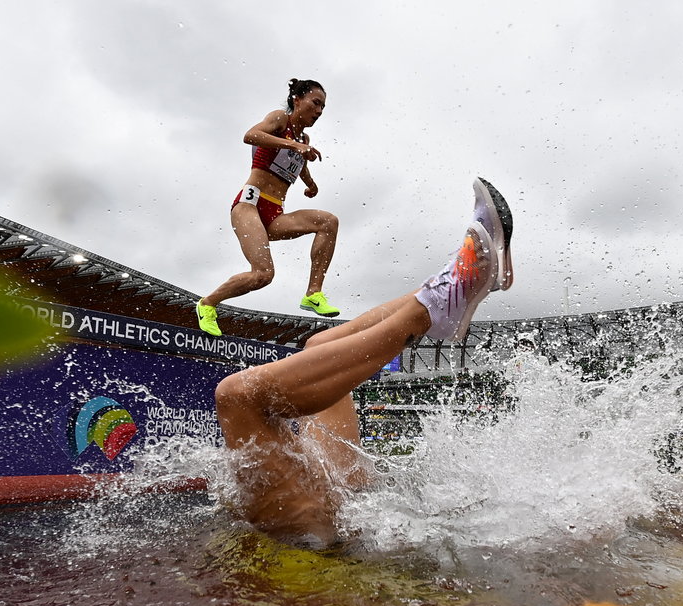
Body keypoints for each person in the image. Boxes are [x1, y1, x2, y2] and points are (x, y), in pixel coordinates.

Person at [214, 178, 514, 547]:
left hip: (339, 508)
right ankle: (438, 303)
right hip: (309, 540)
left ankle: (459, 284)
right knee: (238, 395)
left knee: (319, 343)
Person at [196, 78, 342, 335]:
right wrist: (295, 145)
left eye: (323, 108)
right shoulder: (280, 120)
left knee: (328, 221)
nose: (319, 111)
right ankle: (207, 304)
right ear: (297, 100)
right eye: (315, 103)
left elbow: (299, 164)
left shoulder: (303, 137)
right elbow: (250, 135)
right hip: (248, 206)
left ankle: (313, 293)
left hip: (275, 214)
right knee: (263, 275)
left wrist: (311, 184)